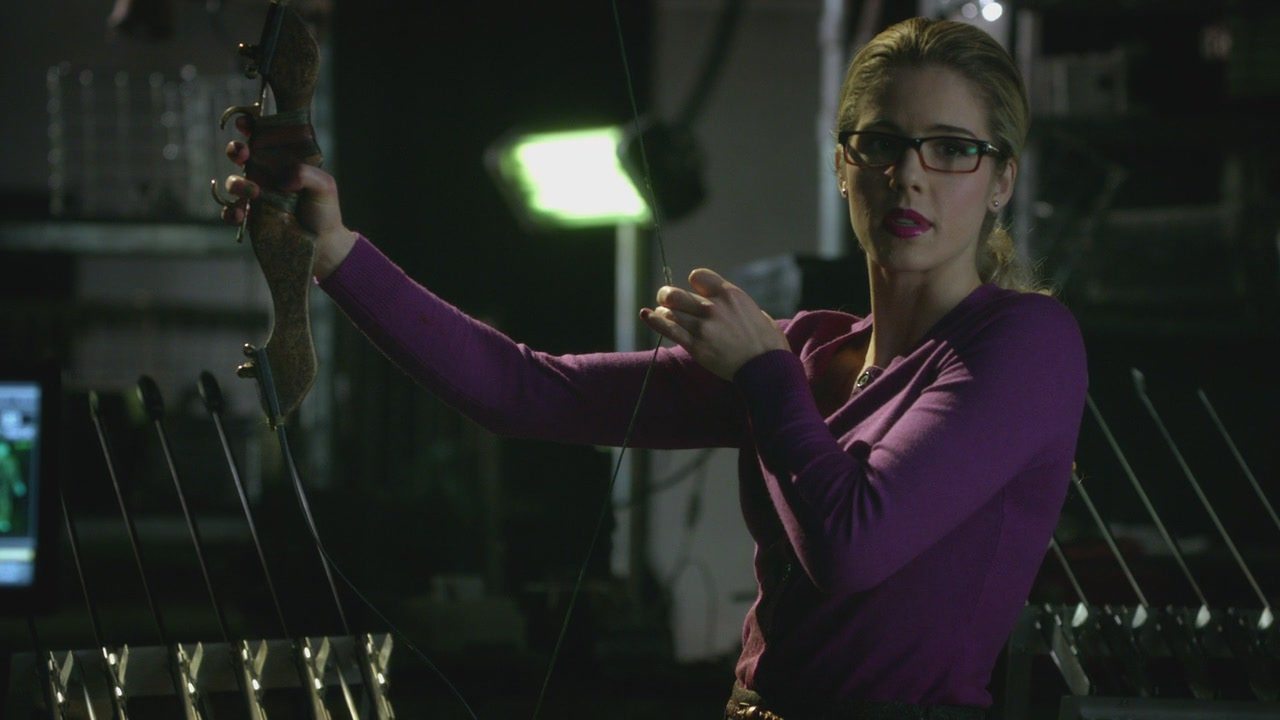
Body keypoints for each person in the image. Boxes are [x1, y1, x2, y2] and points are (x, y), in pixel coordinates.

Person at [221, 16, 1086, 720]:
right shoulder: (808, 349)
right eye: (881, 142)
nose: (908, 176)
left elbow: (854, 544)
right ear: (841, 163)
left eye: (952, 149)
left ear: (1001, 180)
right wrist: (334, 252)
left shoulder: (1025, 341)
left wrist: (763, 374)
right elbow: (524, 391)